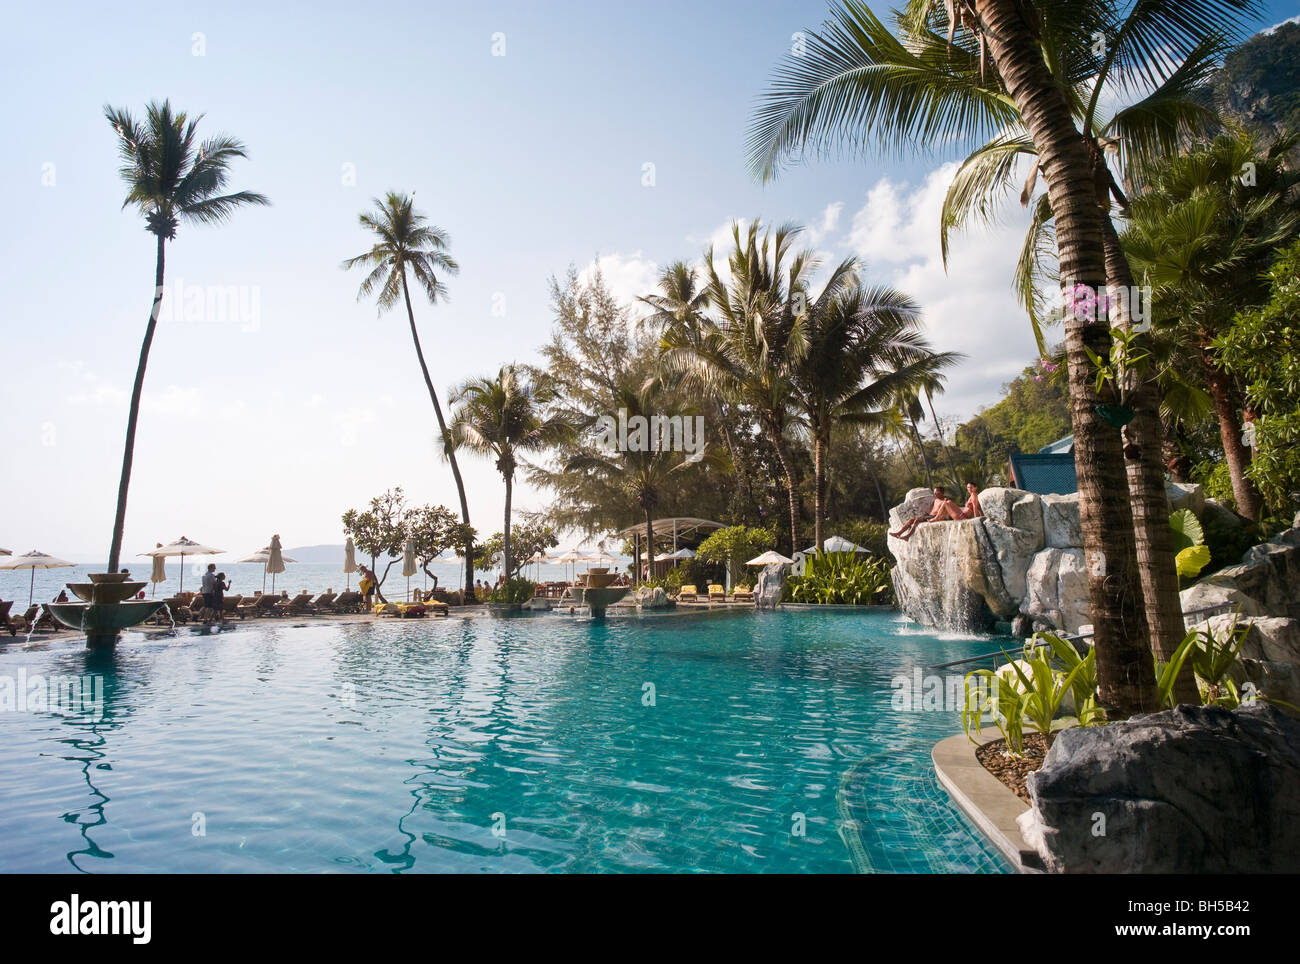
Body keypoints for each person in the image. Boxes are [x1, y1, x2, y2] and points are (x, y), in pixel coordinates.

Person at [890, 486, 959, 541]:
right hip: (929, 516)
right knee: (911, 520)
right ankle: (899, 533)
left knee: (916, 520)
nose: (934, 494)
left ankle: (907, 536)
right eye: (934, 492)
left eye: (936, 492)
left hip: (934, 517)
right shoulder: (935, 499)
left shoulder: (945, 501)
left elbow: (948, 511)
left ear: (942, 493)